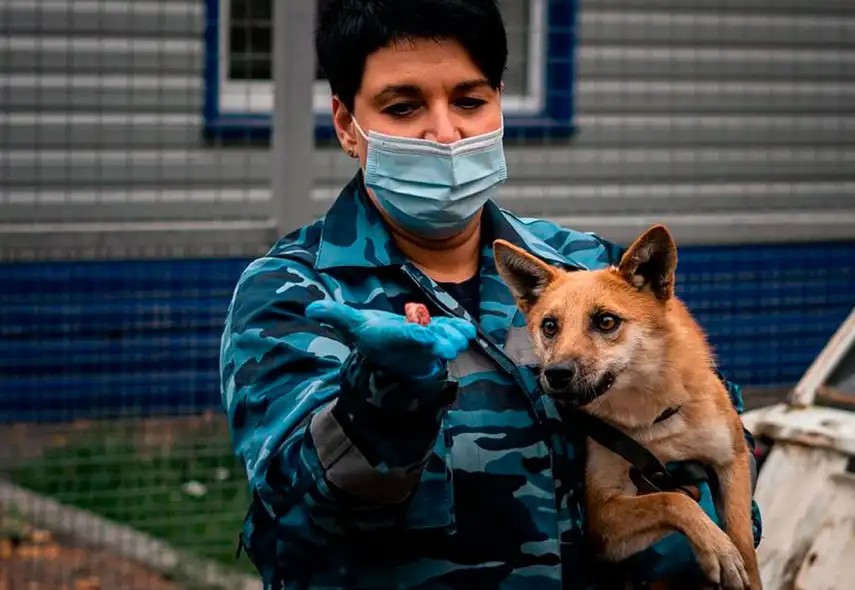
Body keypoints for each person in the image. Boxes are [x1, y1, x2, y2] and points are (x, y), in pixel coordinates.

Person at [219, 0, 762, 587]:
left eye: (470, 101)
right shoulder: (298, 294)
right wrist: (382, 399)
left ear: (500, 103)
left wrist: (682, 539)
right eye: (403, 107)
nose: (446, 132)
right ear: (348, 125)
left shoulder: (584, 269)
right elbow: (300, 512)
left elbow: (719, 444)